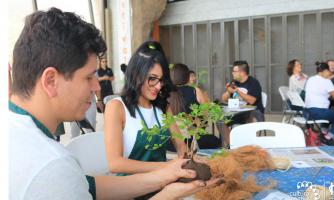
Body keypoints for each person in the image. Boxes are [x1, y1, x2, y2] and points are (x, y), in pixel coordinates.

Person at [9, 8, 221, 200]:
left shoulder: (18, 136)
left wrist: (164, 176)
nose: (97, 88)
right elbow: (112, 165)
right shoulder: (51, 167)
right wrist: (166, 193)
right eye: (89, 77)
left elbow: (88, 185)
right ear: (51, 81)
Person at [104, 41, 188, 176]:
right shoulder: (116, 107)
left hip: (162, 181)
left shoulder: (163, 107)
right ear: (136, 75)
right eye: (152, 79)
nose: (158, 86)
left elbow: (180, 145)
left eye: (161, 80)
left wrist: (188, 161)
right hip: (129, 187)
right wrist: (166, 166)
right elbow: (115, 164)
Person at [167, 63, 220, 150]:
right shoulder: (195, 91)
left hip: (170, 144)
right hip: (192, 142)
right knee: (217, 141)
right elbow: (206, 114)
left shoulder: (165, 93)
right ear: (187, 77)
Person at [304, 61, 334, 146]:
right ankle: (327, 138)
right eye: (329, 71)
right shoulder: (326, 81)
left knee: (330, 114)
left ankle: (323, 133)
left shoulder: (310, 79)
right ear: (325, 71)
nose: (329, 73)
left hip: (307, 112)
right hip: (319, 112)